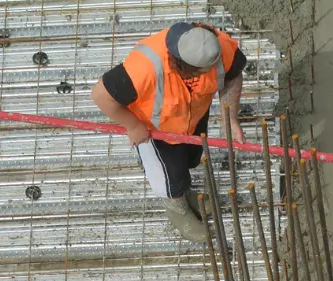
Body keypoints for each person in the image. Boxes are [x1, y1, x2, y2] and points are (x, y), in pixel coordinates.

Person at [90, 21, 247, 244]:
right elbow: (100, 96)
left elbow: (233, 75)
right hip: (156, 132)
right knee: (169, 177)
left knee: (190, 160)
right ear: (183, 66)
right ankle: (177, 208)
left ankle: (186, 194)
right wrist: (133, 126)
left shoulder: (216, 47)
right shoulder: (145, 67)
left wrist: (229, 119)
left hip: (192, 119)